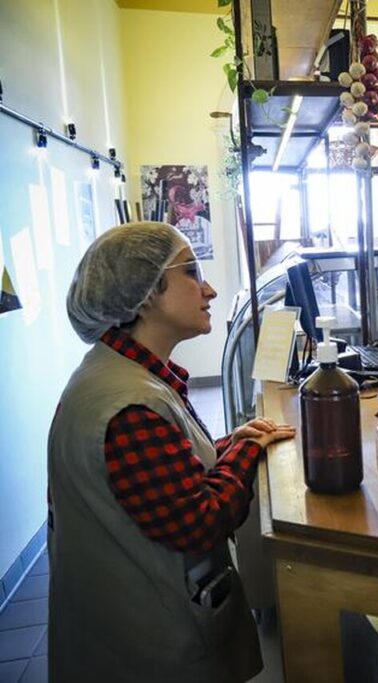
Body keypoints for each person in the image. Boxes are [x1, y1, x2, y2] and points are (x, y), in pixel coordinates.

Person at [48, 222, 296, 682]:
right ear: (144, 294)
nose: (210, 288)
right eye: (192, 272)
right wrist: (247, 450)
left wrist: (232, 442)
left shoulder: (121, 373)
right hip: (145, 648)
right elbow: (197, 522)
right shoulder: (127, 406)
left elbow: (173, 466)